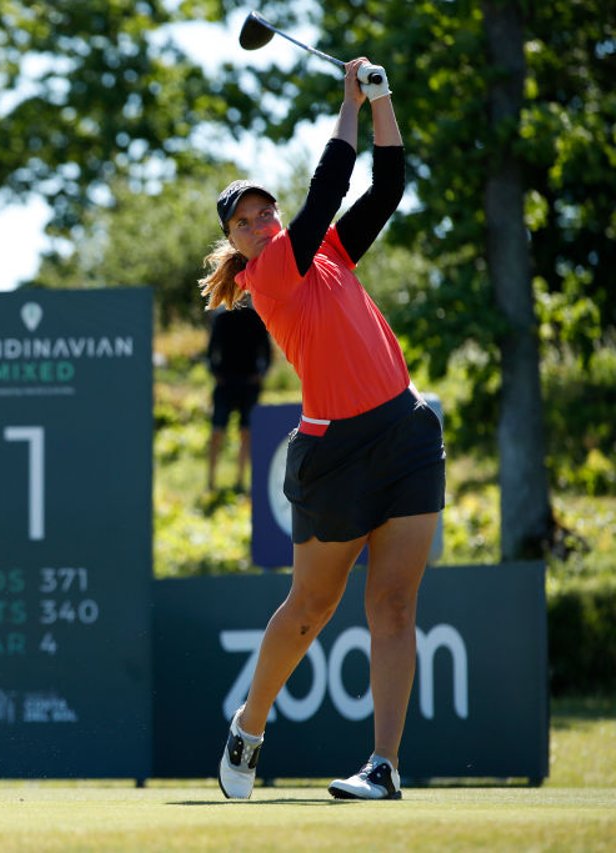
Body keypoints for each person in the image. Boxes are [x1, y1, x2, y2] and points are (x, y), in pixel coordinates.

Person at [198, 58, 445, 801]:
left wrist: (382, 100)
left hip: (405, 432)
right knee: (311, 609)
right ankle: (249, 726)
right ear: (236, 243)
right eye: (243, 221)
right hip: (334, 453)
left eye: (263, 211)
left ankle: (384, 765)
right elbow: (329, 188)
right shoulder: (268, 274)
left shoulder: (329, 253)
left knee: (393, 606)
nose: (258, 223)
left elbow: (388, 187)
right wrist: (348, 103)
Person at [205, 303, 272, 493]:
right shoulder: (221, 317)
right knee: (217, 431)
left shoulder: (256, 316)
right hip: (225, 383)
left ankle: (240, 482)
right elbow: (211, 351)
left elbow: (266, 351)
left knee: (246, 432)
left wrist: (260, 375)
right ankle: (211, 483)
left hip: (249, 384)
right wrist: (216, 373)